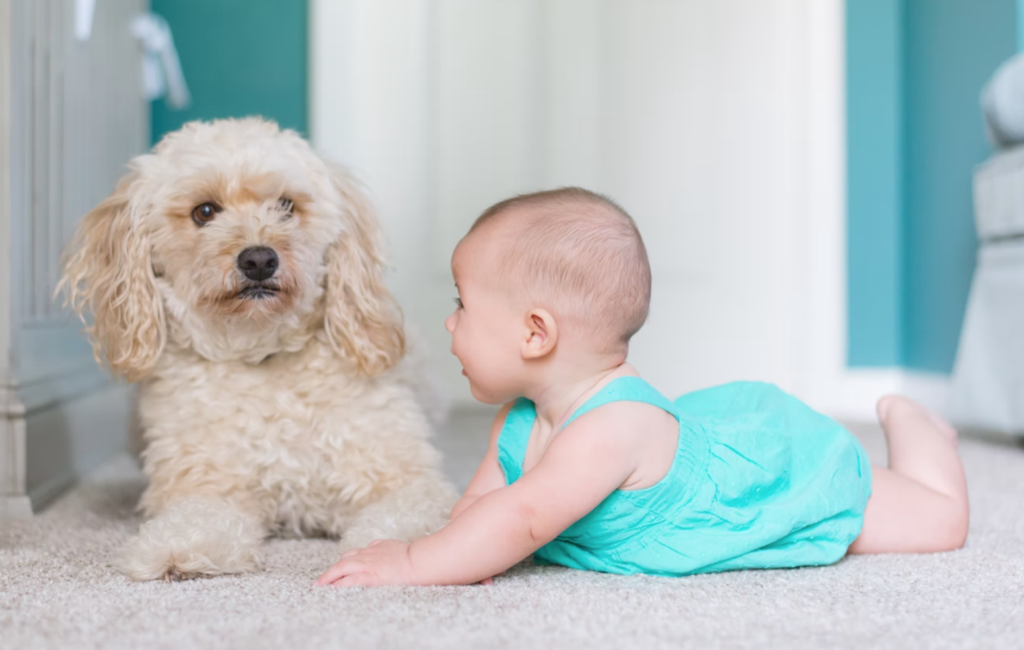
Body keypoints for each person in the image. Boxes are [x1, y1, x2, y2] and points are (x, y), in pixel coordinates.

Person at [316, 187, 969, 587]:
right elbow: (484, 510)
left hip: (769, 475)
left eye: (464, 306)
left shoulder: (609, 430)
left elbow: (523, 517)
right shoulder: (518, 420)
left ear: (535, 334)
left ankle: (913, 423)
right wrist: (456, 552)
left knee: (940, 523)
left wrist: (411, 564)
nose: (450, 322)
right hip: (694, 438)